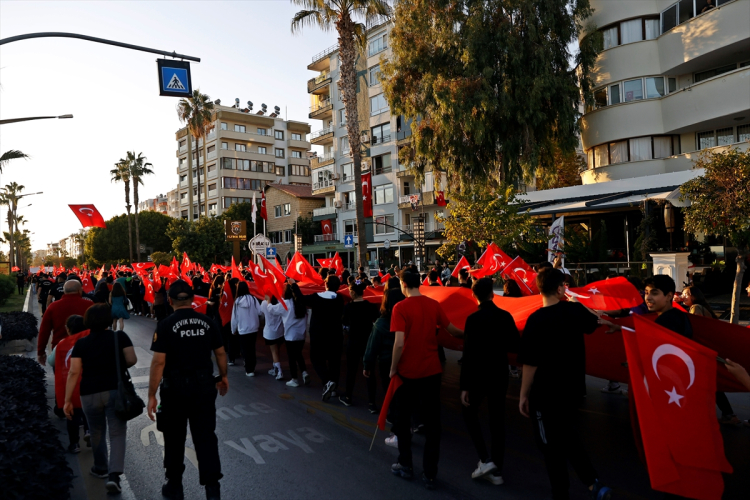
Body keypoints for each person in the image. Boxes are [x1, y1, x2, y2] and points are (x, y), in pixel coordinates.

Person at [519, 268, 611, 500]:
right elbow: (596, 320)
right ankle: (592, 483)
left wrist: (523, 394)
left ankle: (562, 493)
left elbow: (530, 363)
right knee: (568, 434)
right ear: (560, 288)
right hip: (572, 391)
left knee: (550, 447)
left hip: (545, 393)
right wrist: (576, 302)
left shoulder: (535, 320)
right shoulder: (574, 310)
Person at [147, 280, 228, 500]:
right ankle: (212, 490)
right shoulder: (207, 322)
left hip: (174, 390)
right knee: (206, 437)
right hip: (203, 387)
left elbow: (158, 363)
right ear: (193, 300)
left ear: (170, 300)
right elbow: (220, 353)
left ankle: (174, 486)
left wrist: (151, 394)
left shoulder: (164, 324)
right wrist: (223, 377)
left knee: (174, 438)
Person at [389, 271, 464, 490]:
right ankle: (430, 474)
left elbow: (399, 343)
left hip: (407, 373)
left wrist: (393, 368)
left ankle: (406, 464)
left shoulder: (400, 308)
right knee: (433, 424)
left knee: (403, 422)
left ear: (403, 285)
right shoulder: (433, 305)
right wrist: (472, 333)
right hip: (432, 371)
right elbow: (452, 331)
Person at [64, 303, 136, 494]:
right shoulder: (119, 336)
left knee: (96, 431)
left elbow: (73, 372)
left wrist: (67, 400)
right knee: (117, 432)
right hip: (114, 390)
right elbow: (132, 359)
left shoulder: (81, 343)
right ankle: (114, 476)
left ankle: (100, 467)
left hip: (88, 392)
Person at [460, 278, 520, 485]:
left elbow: (467, 354)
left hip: (477, 375)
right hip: (498, 373)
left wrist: (464, 386)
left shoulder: (472, 319)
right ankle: (497, 469)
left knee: (469, 412)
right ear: (493, 294)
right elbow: (515, 345)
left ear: (473, 295)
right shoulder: (505, 316)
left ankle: (485, 459)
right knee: (497, 421)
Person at [681, 285, 740, 425]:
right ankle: (728, 414)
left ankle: (718, 414)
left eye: (685, 294)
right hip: (706, 352)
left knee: (703, 383)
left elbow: (696, 329)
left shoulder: (695, 308)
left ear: (693, 296)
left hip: (700, 352)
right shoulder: (702, 307)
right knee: (710, 384)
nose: (683, 297)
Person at [364, 288, 406, 419]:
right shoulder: (408, 319)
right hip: (407, 360)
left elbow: (372, 346)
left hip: (387, 362)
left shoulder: (381, 324)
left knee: (390, 390)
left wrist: (367, 365)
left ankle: (394, 416)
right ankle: (414, 419)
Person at [304, 275, 345, 400]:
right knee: (334, 361)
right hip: (335, 334)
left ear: (326, 284)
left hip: (319, 335)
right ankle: (333, 387)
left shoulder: (316, 298)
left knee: (316, 359)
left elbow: (301, 299)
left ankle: (327, 381)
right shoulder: (340, 299)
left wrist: (293, 285)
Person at [53, 315, 90, 453]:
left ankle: (74, 444)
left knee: (72, 417)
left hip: (71, 387)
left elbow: (52, 363)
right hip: (88, 385)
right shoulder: (90, 341)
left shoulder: (61, 345)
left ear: (67, 330)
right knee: (88, 412)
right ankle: (88, 431)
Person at [340, 280, 380, 407]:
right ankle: (372, 403)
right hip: (368, 342)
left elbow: (344, 323)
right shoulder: (370, 306)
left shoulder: (348, 307)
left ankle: (348, 397)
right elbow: (377, 320)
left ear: (352, 292)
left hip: (353, 342)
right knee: (369, 371)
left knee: (351, 370)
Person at [37, 280, 94, 367]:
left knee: (62, 378)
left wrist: (41, 351)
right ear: (80, 290)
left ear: (64, 291)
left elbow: (44, 330)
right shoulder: (90, 305)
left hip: (60, 350)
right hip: (87, 350)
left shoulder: (53, 307)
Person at [268, 282, 309, 387]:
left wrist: (268, 301)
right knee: (299, 354)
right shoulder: (302, 303)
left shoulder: (285, 304)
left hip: (291, 336)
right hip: (301, 335)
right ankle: (304, 372)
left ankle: (294, 379)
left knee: (292, 357)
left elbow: (271, 309)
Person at [230, 281, 262, 377]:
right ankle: (252, 367)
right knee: (252, 348)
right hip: (254, 328)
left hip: (243, 329)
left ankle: (248, 369)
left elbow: (234, 318)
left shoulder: (237, 302)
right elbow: (260, 312)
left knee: (245, 349)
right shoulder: (253, 299)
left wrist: (233, 329)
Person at [261, 294, 286, 380]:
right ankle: (275, 368)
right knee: (277, 351)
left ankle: (279, 371)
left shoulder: (264, 303)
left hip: (270, 332)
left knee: (274, 352)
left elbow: (261, 312)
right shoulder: (281, 302)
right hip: (280, 331)